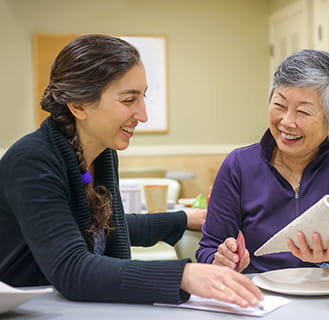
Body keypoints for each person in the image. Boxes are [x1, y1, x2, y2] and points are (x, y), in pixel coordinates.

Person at [0, 34, 262, 307]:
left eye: (143, 97)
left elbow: (107, 227)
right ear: (78, 106)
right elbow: (71, 269)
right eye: (128, 100)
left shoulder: (102, 153)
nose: (143, 115)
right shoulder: (32, 161)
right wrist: (183, 275)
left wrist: (183, 219)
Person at [196, 49, 329, 273]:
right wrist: (220, 260)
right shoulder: (239, 165)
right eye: (279, 106)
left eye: (303, 112)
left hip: (326, 293)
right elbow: (208, 248)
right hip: (258, 296)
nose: (287, 122)